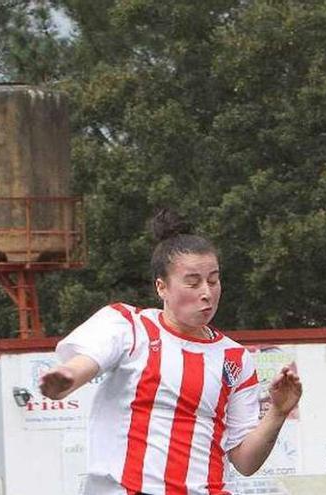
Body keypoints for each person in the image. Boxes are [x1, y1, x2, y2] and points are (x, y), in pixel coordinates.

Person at [40, 209, 302, 495]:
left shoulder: (235, 358)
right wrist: (67, 376)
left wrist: (277, 412)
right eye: (193, 282)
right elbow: (89, 361)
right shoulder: (128, 325)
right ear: (161, 287)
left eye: (213, 281)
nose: (207, 292)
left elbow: (245, 462)